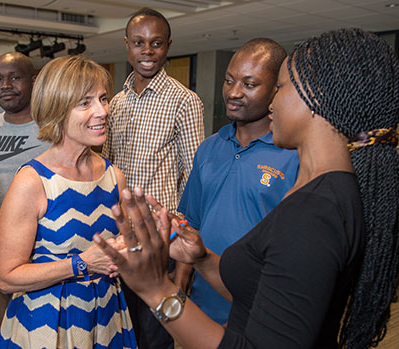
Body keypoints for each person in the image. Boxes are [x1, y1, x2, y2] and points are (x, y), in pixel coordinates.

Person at [95, 28, 399, 348]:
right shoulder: (325, 193)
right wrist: (202, 258)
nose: (272, 103)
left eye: (280, 87)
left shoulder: (316, 213)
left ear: (316, 98)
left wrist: (155, 289)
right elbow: (268, 297)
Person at [0, 55, 137, 348]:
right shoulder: (33, 181)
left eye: (102, 99)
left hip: (106, 316)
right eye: (85, 103)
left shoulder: (114, 176)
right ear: (57, 110)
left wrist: (135, 247)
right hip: (47, 324)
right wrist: (82, 264)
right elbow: (7, 278)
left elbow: (122, 252)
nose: (102, 111)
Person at [177, 38, 299, 324]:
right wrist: (180, 285)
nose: (233, 92)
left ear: (275, 90)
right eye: (229, 80)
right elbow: (191, 222)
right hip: (203, 304)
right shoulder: (209, 147)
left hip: (259, 308)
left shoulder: (293, 155)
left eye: (249, 84)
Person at [102, 7, 204, 348]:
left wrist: (184, 264)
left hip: (161, 241)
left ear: (168, 46)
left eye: (156, 43)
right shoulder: (115, 103)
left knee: (154, 337)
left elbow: (195, 180)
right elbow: (107, 168)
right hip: (119, 238)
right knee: (121, 332)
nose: (147, 51)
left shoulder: (184, 101)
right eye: (139, 43)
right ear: (127, 45)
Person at [0, 52, 50, 348]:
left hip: (38, 257)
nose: (5, 85)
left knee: (36, 337)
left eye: (14, 77)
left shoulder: (51, 130)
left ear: (33, 81)